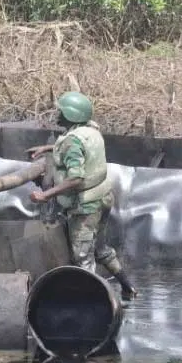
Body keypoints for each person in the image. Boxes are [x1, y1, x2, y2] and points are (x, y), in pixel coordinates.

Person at [27, 91, 137, 301]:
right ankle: (128, 287)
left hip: (85, 206)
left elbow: (75, 178)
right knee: (101, 247)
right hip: (103, 196)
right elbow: (78, 147)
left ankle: (93, 302)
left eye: (61, 111)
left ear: (70, 115)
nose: (57, 114)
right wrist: (49, 148)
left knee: (83, 257)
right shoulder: (91, 130)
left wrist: (46, 195)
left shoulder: (72, 142)